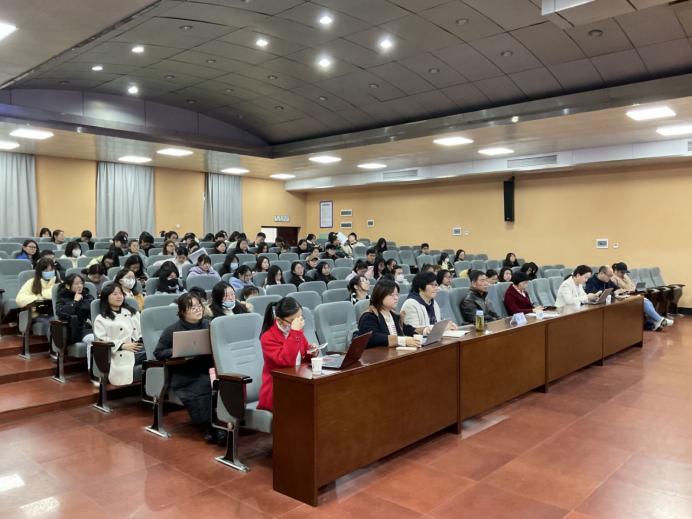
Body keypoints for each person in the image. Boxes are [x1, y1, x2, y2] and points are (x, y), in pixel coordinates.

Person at [154, 293, 217, 442]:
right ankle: (208, 427)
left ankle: (221, 425)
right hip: (185, 373)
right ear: (182, 311)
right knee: (201, 388)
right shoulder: (172, 330)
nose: (198, 309)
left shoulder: (209, 325)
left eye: (199, 306)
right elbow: (158, 352)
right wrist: (179, 351)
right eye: (192, 307)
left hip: (208, 368)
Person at [258, 297, 319, 411]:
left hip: (298, 382)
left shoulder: (297, 332)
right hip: (278, 388)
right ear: (279, 320)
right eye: (293, 320)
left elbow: (302, 357)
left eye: (300, 318)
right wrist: (295, 332)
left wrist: (312, 352)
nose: (298, 323)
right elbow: (286, 361)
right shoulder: (268, 337)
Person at [93, 283, 145, 384]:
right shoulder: (101, 319)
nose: (119, 296)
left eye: (121, 293)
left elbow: (142, 331)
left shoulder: (133, 312)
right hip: (118, 352)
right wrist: (122, 345)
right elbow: (102, 340)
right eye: (115, 294)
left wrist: (140, 341)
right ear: (106, 297)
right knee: (154, 354)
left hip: (137, 347)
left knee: (155, 351)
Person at [357, 279, 419, 349]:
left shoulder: (394, 315)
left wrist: (424, 331)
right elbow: (372, 338)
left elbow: (407, 330)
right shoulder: (369, 316)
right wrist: (402, 340)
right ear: (380, 295)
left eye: (397, 294)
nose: (396, 298)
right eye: (391, 295)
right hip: (379, 354)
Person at [610, 262, 673, 330]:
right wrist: (628, 291)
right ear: (616, 271)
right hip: (624, 299)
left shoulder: (625, 276)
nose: (623, 274)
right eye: (622, 272)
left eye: (625, 272)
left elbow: (633, 285)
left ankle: (657, 321)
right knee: (644, 302)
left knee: (647, 302)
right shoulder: (613, 279)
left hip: (633, 295)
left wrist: (636, 290)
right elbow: (618, 291)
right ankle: (660, 320)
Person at [16, 257, 57, 334]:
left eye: (51, 270)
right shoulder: (31, 282)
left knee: (61, 320)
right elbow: (19, 299)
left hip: (55, 313)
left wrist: (45, 295)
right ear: (40, 271)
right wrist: (38, 299)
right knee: (52, 322)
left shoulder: (58, 282)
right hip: (38, 315)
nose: (49, 272)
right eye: (46, 270)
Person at [55, 273, 95, 346]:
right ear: (67, 286)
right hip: (76, 331)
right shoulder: (63, 298)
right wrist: (75, 301)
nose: (80, 286)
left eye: (81, 283)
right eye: (76, 284)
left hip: (92, 328)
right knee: (93, 339)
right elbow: (61, 313)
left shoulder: (87, 296)